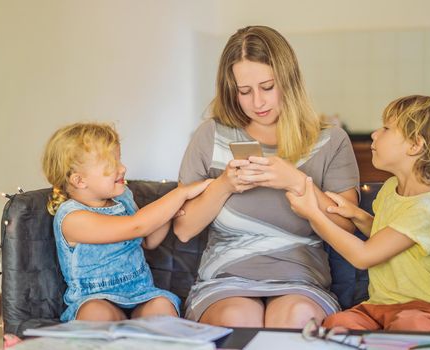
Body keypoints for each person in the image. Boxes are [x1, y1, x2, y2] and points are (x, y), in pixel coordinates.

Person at [174, 25, 360, 328]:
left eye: (268, 87)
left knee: (295, 317)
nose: (258, 102)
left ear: (289, 81)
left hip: (301, 279)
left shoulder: (331, 141)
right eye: (245, 92)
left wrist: (297, 182)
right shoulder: (209, 136)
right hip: (225, 280)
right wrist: (224, 186)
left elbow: (346, 228)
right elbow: (183, 229)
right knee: (238, 318)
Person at [286, 95, 430, 331]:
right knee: (338, 323)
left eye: (386, 128)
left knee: (411, 325)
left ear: (416, 145)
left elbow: (364, 256)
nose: (374, 134)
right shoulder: (390, 189)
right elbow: (388, 237)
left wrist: (314, 215)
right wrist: (357, 215)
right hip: (378, 306)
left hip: (425, 309)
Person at [42, 122, 211, 322]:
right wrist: (180, 193)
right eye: (111, 164)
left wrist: (169, 214)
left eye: (119, 159)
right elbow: (136, 226)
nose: (122, 168)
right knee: (95, 313)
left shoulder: (123, 198)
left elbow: (148, 240)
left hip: (141, 292)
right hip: (95, 297)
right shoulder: (73, 218)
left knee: (162, 306)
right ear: (79, 181)